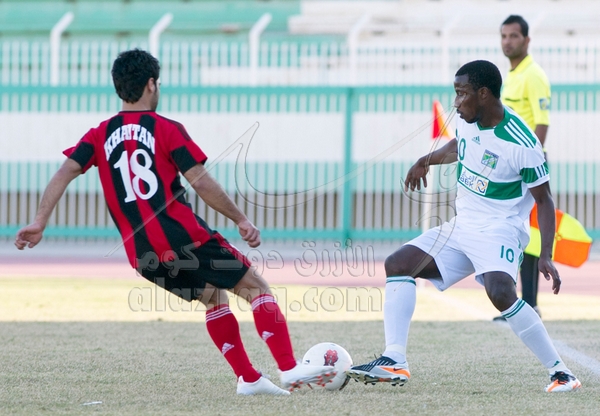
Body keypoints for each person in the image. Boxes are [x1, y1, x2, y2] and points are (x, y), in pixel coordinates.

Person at [14, 49, 335, 396]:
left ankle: (249, 379)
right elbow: (201, 181)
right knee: (255, 287)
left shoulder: (99, 135)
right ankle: (288, 368)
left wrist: (39, 221)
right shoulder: (165, 129)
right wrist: (240, 219)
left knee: (213, 298)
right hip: (185, 238)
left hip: (142, 255)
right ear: (151, 84)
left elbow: (64, 172)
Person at [348, 60, 581, 392]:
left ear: (483, 94)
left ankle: (561, 373)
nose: (456, 102)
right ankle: (394, 360)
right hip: (462, 227)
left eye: (461, 93)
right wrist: (426, 160)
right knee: (398, 264)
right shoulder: (468, 120)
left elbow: (544, 201)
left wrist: (545, 254)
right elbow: (460, 145)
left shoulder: (523, 144)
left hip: (500, 229)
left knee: (500, 292)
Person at [496, 14, 552, 320]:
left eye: (514, 36)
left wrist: (531, 164)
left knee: (529, 235)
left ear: (527, 40)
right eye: (504, 36)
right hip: (511, 168)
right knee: (512, 231)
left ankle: (530, 304)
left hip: (530, 167)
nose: (508, 41)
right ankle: (515, 305)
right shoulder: (511, 76)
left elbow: (541, 124)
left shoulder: (534, 75)